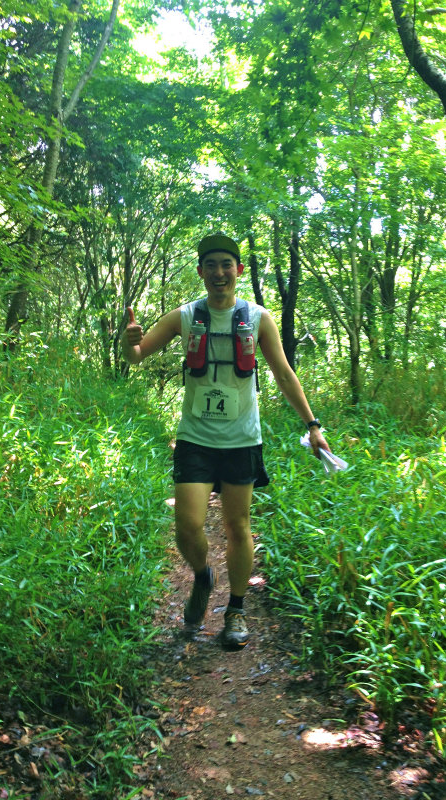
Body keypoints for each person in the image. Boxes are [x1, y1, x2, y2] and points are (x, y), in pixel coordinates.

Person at [122, 234, 329, 649]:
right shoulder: (184, 316)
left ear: (238, 270)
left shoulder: (258, 318)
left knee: (238, 526)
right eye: (211, 265)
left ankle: (235, 610)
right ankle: (203, 576)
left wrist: (312, 424)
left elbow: (284, 374)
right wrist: (128, 342)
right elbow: (138, 355)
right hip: (196, 438)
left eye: (226, 264)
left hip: (241, 439)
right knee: (188, 525)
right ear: (201, 271)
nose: (219, 272)